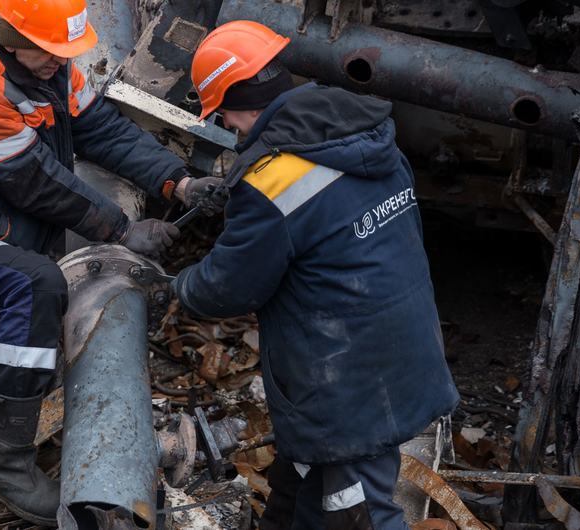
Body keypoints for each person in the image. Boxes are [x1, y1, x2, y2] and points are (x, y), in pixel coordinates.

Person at [0, 0, 222, 524]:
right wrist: (123, 229)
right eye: (50, 52)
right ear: (11, 34)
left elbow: (101, 129)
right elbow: (35, 181)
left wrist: (180, 181)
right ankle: (4, 465)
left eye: (64, 52)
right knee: (34, 284)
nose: (61, 63)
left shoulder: (46, 64)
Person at [176, 21, 459, 529]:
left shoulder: (270, 179)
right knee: (302, 499)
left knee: (363, 513)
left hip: (346, 380)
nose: (232, 129)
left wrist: (175, 284)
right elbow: (336, 224)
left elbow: (228, 287)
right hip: (406, 345)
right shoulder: (365, 130)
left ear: (232, 102)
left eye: (223, 115)